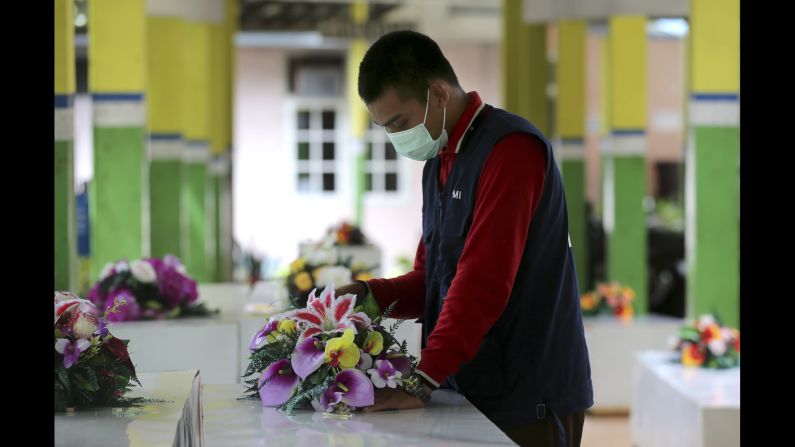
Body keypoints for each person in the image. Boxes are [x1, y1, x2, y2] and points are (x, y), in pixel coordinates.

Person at [337, 30, 593, 446]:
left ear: (438, 93)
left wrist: (420, 381)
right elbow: (433, 280)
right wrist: (366, 297)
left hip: (527, 395)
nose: (396, 138)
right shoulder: (440, 163)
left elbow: (482, 283)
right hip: (470, 388)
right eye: (385, 128)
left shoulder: (511, 151)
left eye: (399, 123)